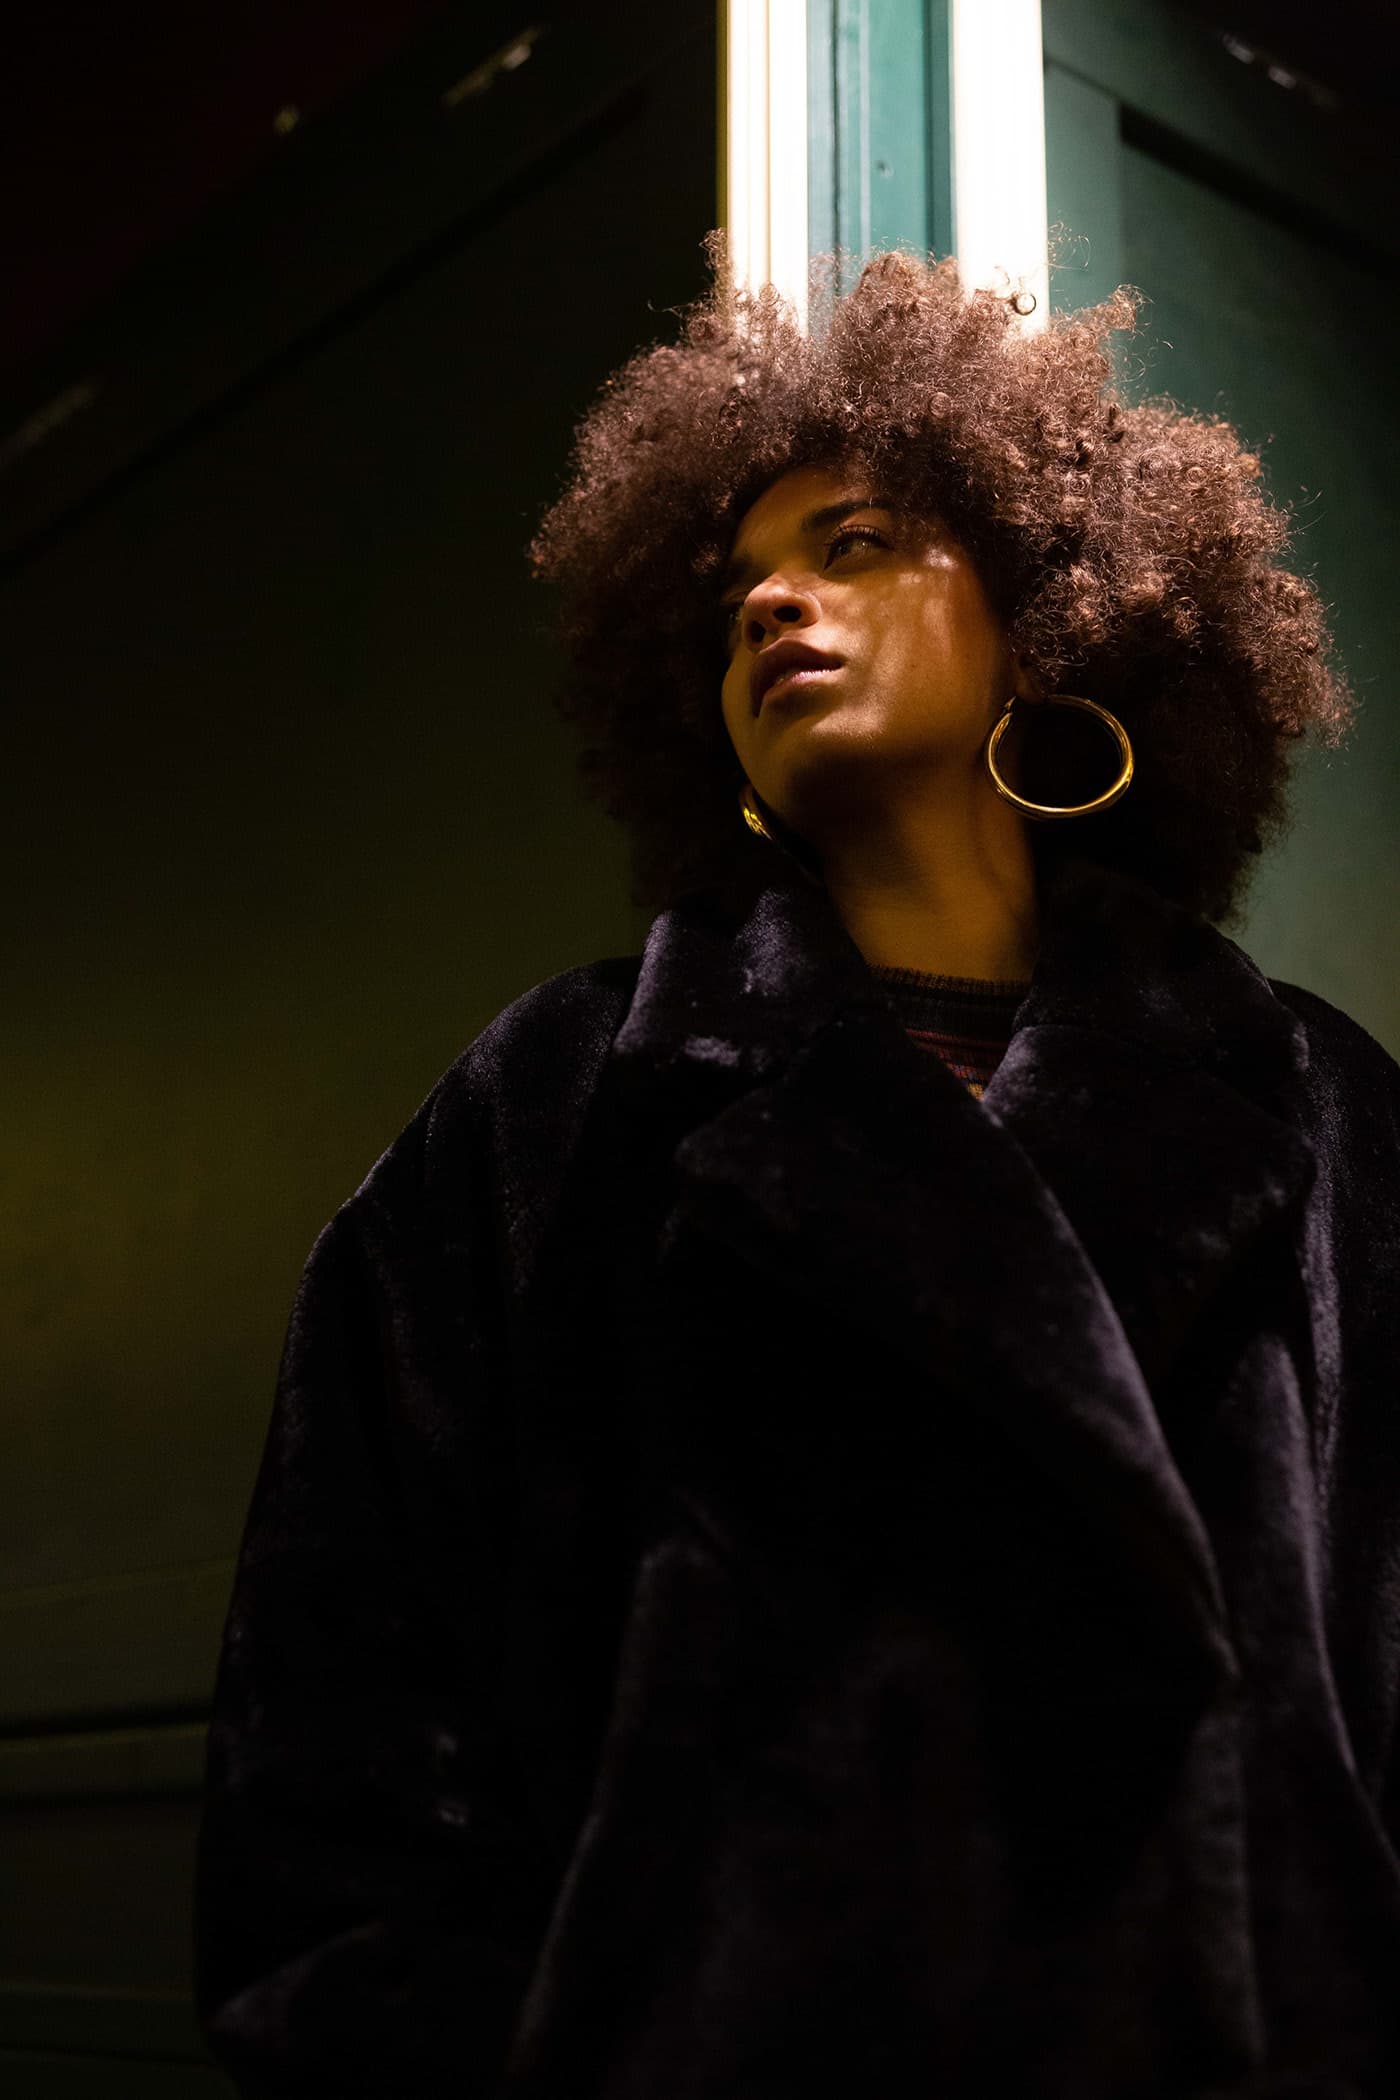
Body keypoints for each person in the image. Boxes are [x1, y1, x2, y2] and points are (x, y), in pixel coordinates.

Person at [192, 239, 1400, 2098]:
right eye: (738, 587)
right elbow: (338, 1728)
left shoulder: (1315, 1104)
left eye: (855, 543)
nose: (771, 600)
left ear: (1047, 615)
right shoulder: (556, 1103)